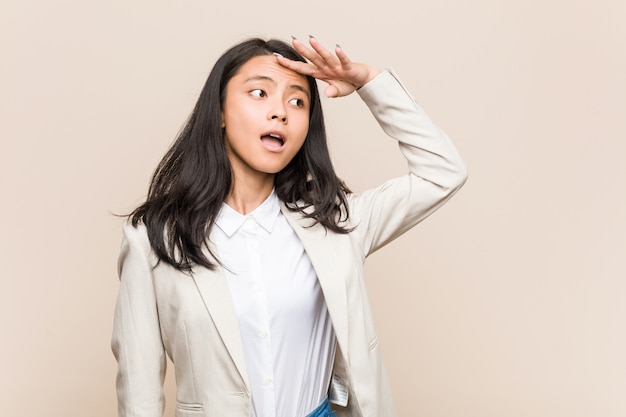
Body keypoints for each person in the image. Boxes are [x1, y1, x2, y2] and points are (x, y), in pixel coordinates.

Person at [111, 36, 467, 417]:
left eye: (297, 101)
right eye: (260, 93)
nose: (281, 111)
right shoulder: (153, 241)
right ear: (220, 112)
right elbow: (140, 393)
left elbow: (443, 172)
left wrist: (368, 81)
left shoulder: (336, 224)